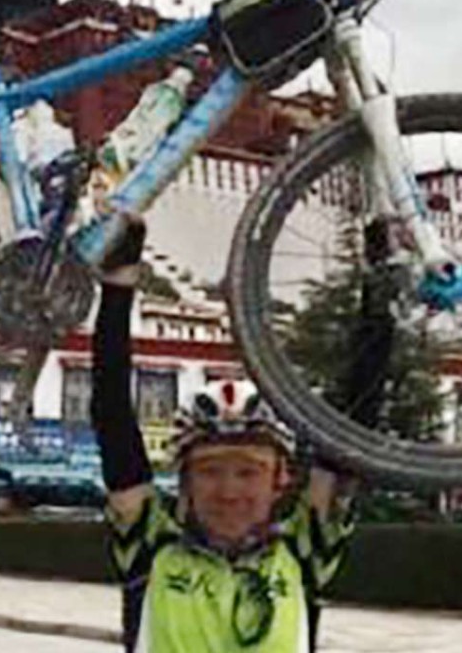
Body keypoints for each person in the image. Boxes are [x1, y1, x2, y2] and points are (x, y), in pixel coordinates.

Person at [93, 214, 355, 652]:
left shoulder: (303, 553)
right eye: (210, 471)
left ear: (280, 479)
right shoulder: (150, 548)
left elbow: (348, 437)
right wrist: (118, 286)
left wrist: (380, 296)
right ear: (185, 481)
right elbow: (113, 420)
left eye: (248, 472)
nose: (229, 491)